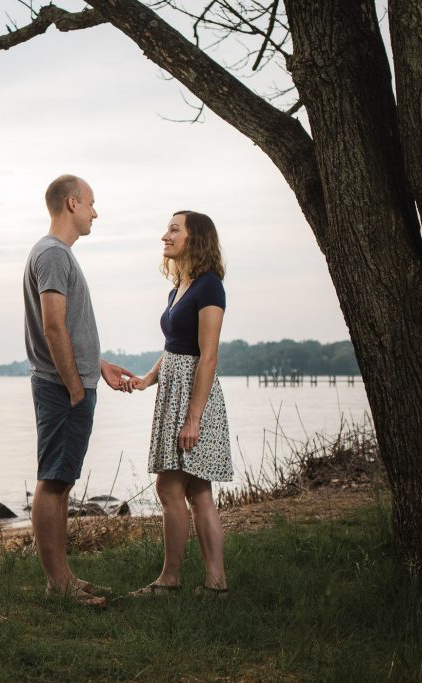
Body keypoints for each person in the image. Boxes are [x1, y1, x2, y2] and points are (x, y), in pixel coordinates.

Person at [23, 174, 135, 607]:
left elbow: (66, 327)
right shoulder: (53, 254)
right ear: (72, 203)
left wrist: (96, 365)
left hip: (71, 382)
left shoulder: (57, 255)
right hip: (61, 388)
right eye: (91, 202)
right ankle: (59, 585)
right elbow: (52, 326)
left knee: (60, 480)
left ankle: (63, 577)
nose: (95, 211)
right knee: (53, 482)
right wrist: (74, 385)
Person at [128, 210, 232, 597]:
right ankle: (215, 586)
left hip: (193, 397)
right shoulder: (179, 288)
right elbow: (173, 349)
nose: (165, 236)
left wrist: (193, 419)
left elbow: (207, 356)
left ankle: (169, 581)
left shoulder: (209, 287)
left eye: (174, 229)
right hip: (173, 390)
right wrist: (146, 379)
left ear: (195, 237)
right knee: (197, 491)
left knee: (170, 490)